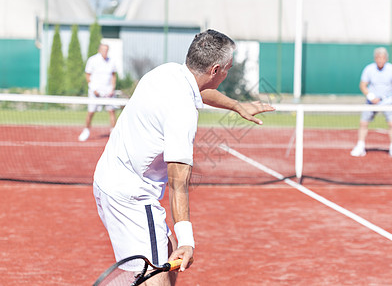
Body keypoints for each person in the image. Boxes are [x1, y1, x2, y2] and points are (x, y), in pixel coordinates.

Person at [93, 30, 274, 285]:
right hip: (132, 198)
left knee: (166, 259)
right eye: (227, 69)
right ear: (215, 70)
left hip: (108, 180)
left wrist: (236, 105)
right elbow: (178, 182)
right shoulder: (182, 112)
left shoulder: (169, 73)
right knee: (156, 278)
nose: (227, 74)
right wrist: (187, 240)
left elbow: (201, 90)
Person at [350, 47, 392, 158]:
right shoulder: (369, 69)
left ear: (386, 59)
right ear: (375, 58)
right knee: (363, 123)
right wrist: (371, 96)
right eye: (378, 58)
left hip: (388, 102)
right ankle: (360, 146)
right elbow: (363, 85)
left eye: (382, 58)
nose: (380, 60)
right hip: (371, 102)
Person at [78, 43, 117, 142]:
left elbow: (113, 75)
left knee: (112, 111)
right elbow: (87, 75)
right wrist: (94, 89)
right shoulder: (92, 60)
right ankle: (86, 131)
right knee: (91, 112)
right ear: (99, 50)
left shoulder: (111, 61)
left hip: (108, 92)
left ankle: (114, 134)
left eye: (106, 50)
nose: (105, 51)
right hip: (95, 92)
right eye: (103, 50)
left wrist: (112, 89)